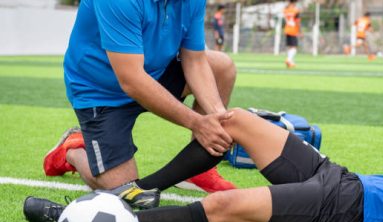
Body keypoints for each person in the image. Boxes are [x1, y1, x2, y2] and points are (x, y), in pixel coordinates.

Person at [25, 108, 383, 222]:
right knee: (234, 121)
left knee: (223, 205)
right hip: (345, 179)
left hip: (347, 208)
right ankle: (136, 190)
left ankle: (76, 220)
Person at [43, 0, 239, 209]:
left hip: (154, 72)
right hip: (100, 91)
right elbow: (132, 80)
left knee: (221, 66)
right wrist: (198, 123)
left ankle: (199, 171)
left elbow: (195, 60)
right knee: (125, 190)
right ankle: (73, 149)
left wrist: (219, 119)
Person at [283, 0, 301, 68]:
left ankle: (290, 62)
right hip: (293, 30)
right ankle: (288, 60)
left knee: (290, 47)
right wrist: (299, 31)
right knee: (294, 47)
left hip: (287, 29)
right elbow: (297, 22)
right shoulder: (295, 11)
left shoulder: (285, 10)